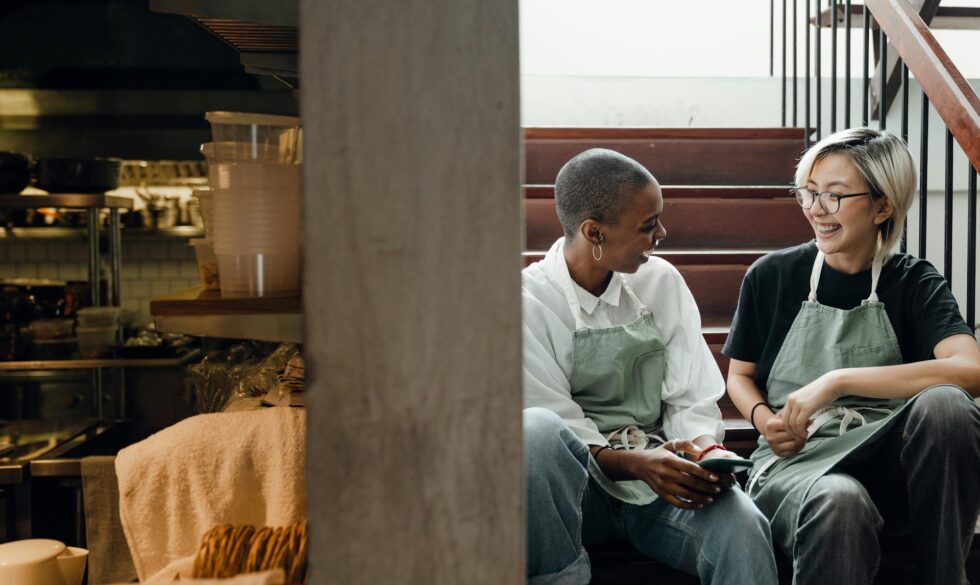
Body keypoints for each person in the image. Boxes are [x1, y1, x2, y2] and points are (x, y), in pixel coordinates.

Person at [723, 127, 980, 585]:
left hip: (889, 459)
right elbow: (739, 376)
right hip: (799, 459)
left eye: (835, 196)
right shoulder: (772, 275)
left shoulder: (913, 281)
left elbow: (970, 371)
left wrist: (838, 380)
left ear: (882, 206)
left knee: (947, 405)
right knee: (839, 501)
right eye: (809, 192)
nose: (817, 209)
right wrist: (765, 420)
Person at [523, 148, 778, 585]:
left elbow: (691, 394)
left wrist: (701, 451)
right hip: (577, 491)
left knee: (745, 527)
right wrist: (638, 464)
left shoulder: (661, 280)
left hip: (664, 475)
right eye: (647, 225)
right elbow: (554, 429)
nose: (661, 233)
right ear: (594, 232)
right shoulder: (528, 302)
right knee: (536, 431)